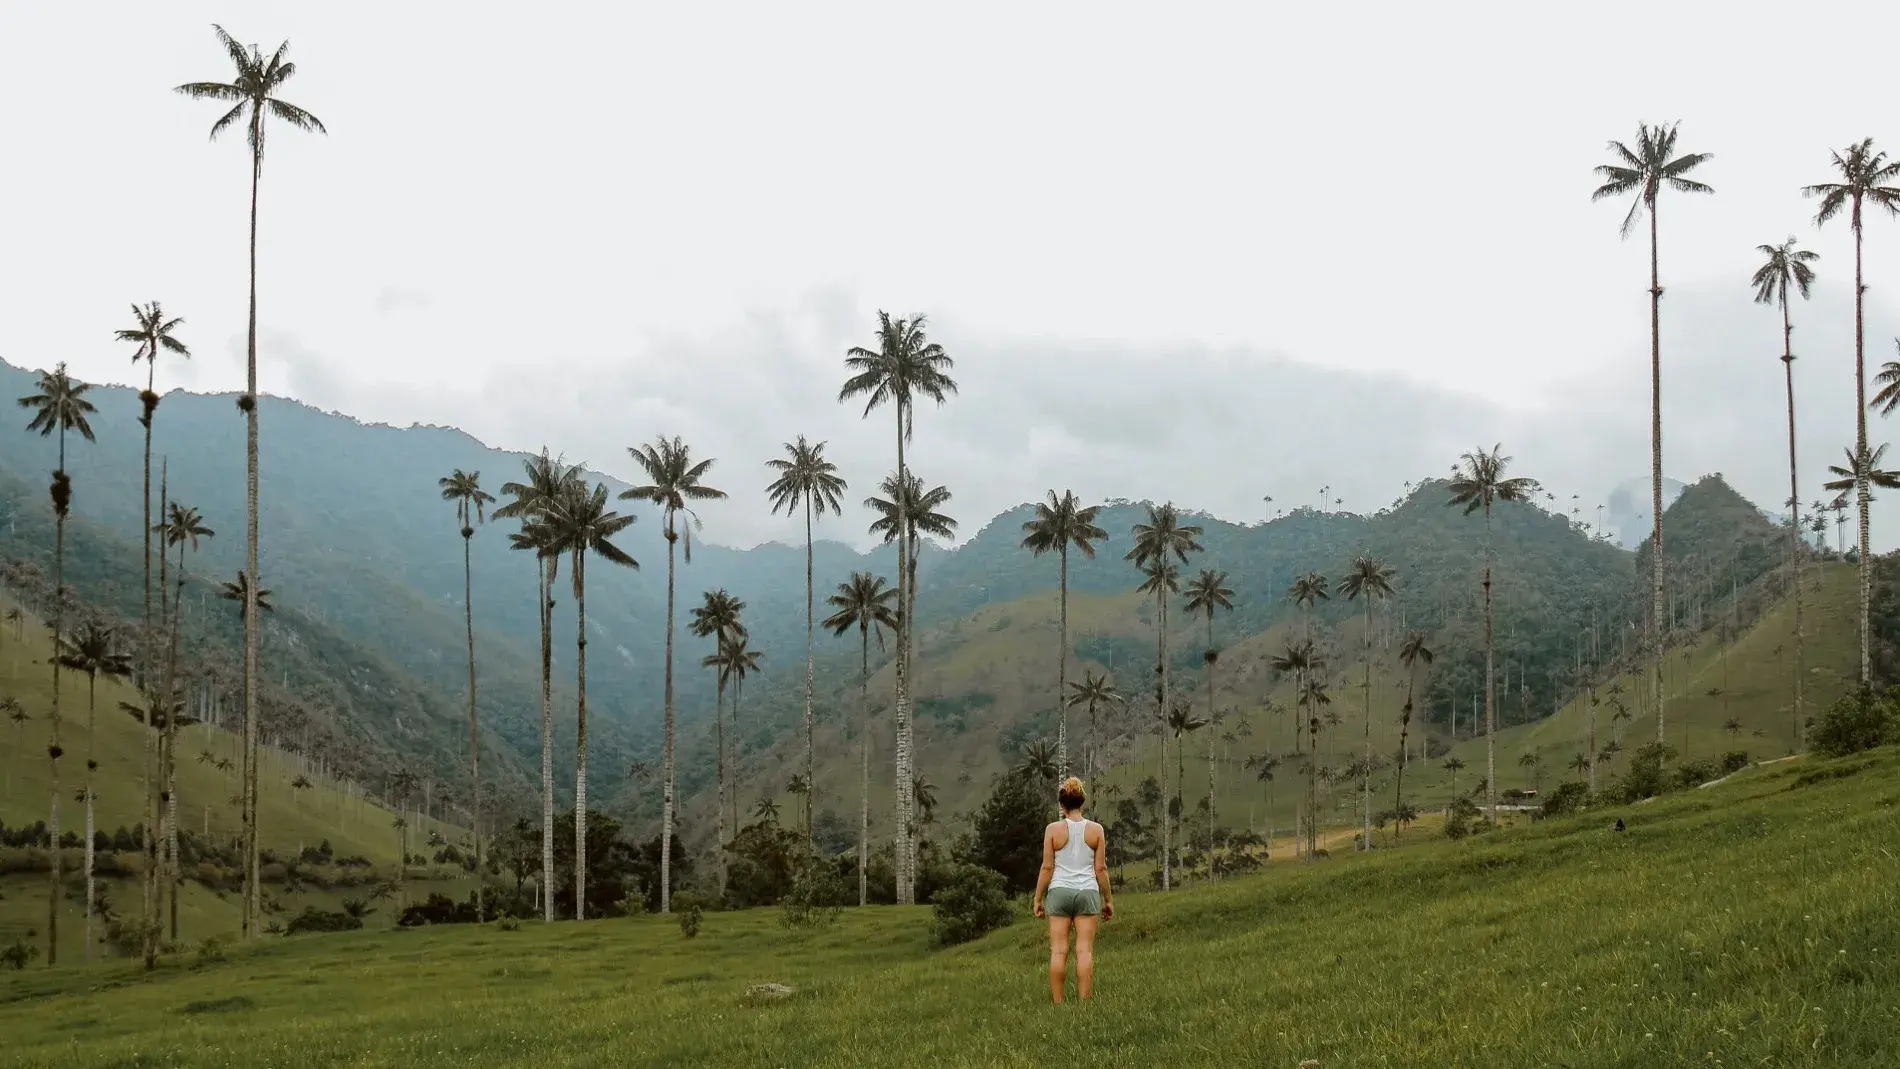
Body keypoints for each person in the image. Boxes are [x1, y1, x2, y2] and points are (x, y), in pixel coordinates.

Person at [1032, 776, 1112, 1003]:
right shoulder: (1096, 830)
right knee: (1084, 951)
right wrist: (1108, 900)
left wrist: (1038, 898)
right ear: (1082, 803)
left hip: (1059, 893)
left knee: (1058, 951)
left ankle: (1058, 1003)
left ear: (1062, 805)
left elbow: (1047, 867)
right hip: (1087, 892)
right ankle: (1085, 1003)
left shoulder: (1052, 830)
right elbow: (1101, 869)